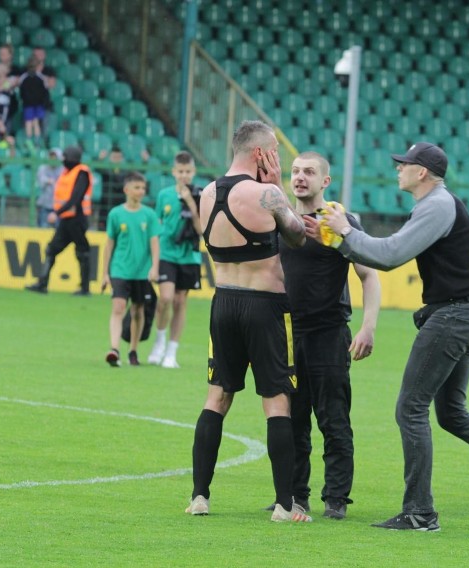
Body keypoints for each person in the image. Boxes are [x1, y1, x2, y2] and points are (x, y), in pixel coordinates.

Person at [307, 142, 469, 534]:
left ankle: (420, 513)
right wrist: (344, 238)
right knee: (452, 414)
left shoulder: (437, 206)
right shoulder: (436, 205)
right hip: (466, 313)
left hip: (454, 315)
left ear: (422, 172)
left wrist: (345, 232)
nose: (398, 170)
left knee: (410, 408)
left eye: (403, 165)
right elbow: (388, 247)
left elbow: (390, 255)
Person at [186, 120, 309, 523]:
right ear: (260, 154)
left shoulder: (207, 192)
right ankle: (284, 504)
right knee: (276, 402)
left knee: (217, 397)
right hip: (265, 306)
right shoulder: (267, 193)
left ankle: (199, 496)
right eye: (274, 149)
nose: (278, 157)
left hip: (224, 303)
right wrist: (281, 191)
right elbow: (297, 236)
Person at [263, 151, 381, 519]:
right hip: (287, 334)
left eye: (309, 172)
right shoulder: (279, 220)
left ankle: (336, 500)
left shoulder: (339, 221)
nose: (300, 177)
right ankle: (295, 495)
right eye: (296, 171)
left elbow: (369, 276)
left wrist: (368, 326)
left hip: (329, 333)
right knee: (291, 419)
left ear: (325, 181)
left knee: (333, 418)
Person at [147, 151, 203, 369]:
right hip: (167, 253)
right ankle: (159, 341)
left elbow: (201, 230)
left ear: (194, 172)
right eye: (180, 172)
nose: (184, 176)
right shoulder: (164, 195)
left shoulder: (200, 195)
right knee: (166, 298)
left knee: (180, 301)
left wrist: (190, 202)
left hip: (189, 255)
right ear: (173, 172)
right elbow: (156, 225)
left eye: (188, 172)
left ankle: (172, 351)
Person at [101, 172, 160, 367]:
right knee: (118, 307)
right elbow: (109, 245)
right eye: (137, 187)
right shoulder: (116, 214)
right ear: (126, 190)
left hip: (141, 272)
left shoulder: (149, 215)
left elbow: (154, 243)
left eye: (143, 188)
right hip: (120, 270)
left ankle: (133, 350)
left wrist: (154, 267)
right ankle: (114, 349)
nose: (141, 191)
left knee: (138, 310)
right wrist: (104, 274)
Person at [25, 146, 93, 296]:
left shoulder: (82, 172)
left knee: (83, 252)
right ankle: (42, 283)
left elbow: (76, 197)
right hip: (67, 219)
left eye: (65, 157)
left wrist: (57, 212)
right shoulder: (67, 173)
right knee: (52, 249)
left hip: (77, 219)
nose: (63, 160)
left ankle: (85, 288)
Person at [18, 55, 49, 153]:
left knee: (31, 122)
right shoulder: (40, 78)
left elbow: (21, 90)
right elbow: (45, 90)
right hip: (34, 104)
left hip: (31, 104)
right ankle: (34, 142)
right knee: (34, 122)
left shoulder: (25, 77)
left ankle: (33, 142)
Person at [95, 146, 126, 231]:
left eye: (118, 157)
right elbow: (97, 168)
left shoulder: (126, 171)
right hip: (106, 204)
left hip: (120, 204)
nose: (116, 159)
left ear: (122, 158)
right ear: (110, 158)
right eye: (114, 157)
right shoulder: (106, 169)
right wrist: (100, 159)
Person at [36, 147, 63, 228]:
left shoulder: (63, 170)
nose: (53, 159)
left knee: (59, 231)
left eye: (55, 157)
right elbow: (41, 181)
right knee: (43, 228)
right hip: (45, 205)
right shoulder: (43, 168)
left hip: (59, 206)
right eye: (51, 157)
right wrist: (49, 181)